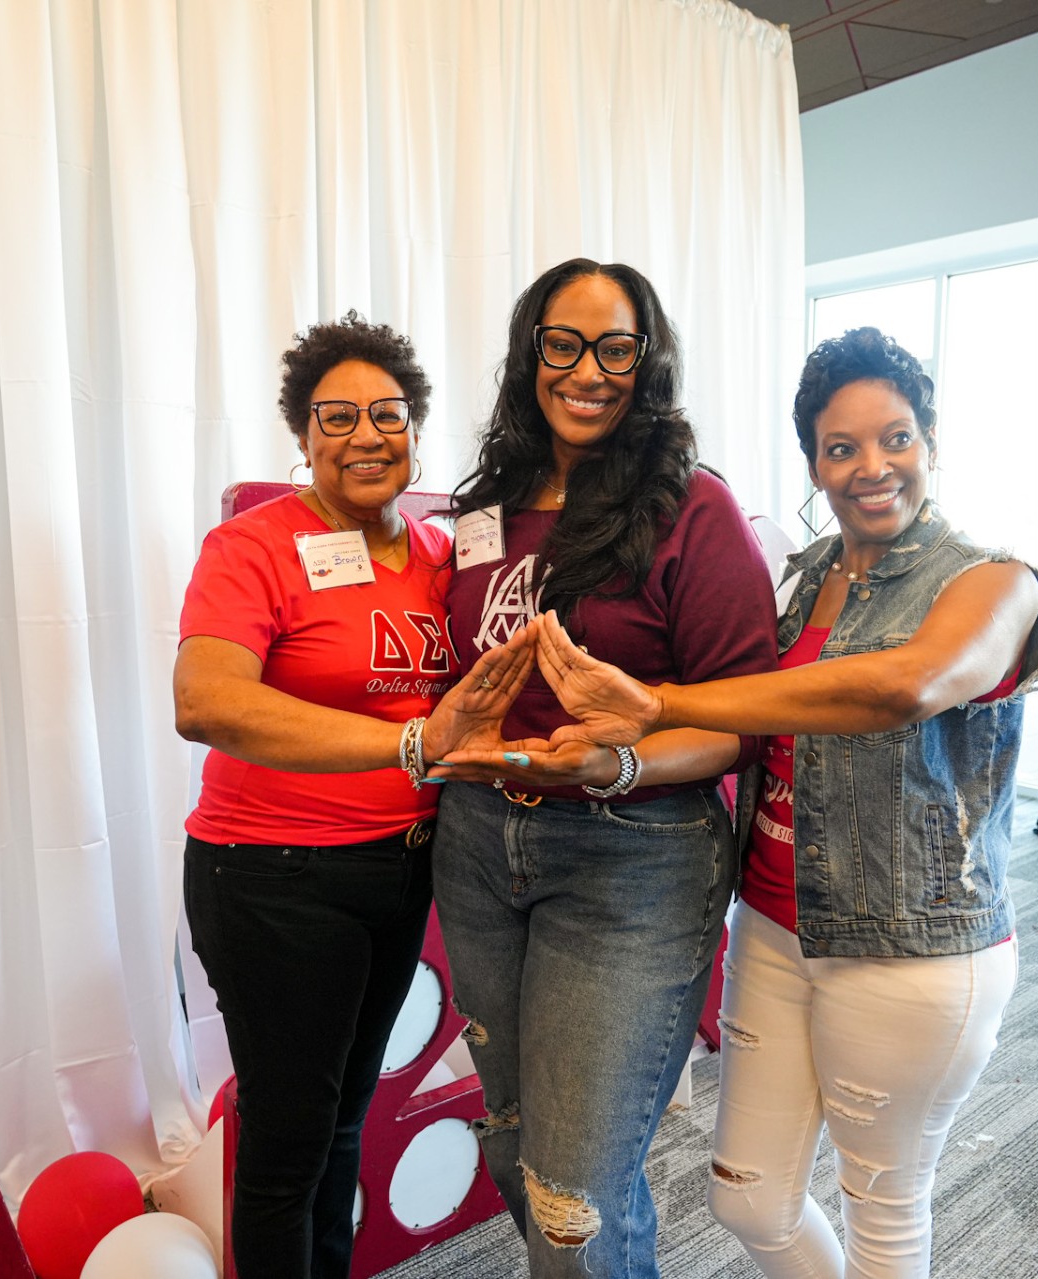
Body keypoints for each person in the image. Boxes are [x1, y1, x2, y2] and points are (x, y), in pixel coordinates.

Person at [531, 326, 1038, 1279]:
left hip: (909, 944)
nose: (872, 467)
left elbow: (903, 685)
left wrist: (661, 702)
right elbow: (758, 725)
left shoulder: (994, 582)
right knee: (747, 1196)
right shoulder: (806, 577)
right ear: (813, 461)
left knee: (884, 1213)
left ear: (931, 441)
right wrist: (620, 754)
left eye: (895, 438)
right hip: (773, 923)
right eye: (841, 447)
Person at [426, 259, 779, 1277]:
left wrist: (618, 762)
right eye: (564, 344)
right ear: (530, 353)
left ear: (647, 359)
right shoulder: (486, 505)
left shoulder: (692, 510)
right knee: (515, 1138)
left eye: (615, 347)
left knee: (573, 1185)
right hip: (483, 843)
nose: (589, 370)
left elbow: (741, 723)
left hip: (633, 854)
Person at [172, 312, 536, 1279]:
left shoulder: (436, 554)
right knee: (289, 1140)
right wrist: (408, 742)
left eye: (387, 413)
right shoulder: (252, 547)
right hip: (274, 878)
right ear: (301, 435)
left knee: (341, 1121)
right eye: (336, 415)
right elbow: (206, 702)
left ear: (416, 427)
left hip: (398, 871)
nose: (365, 434)